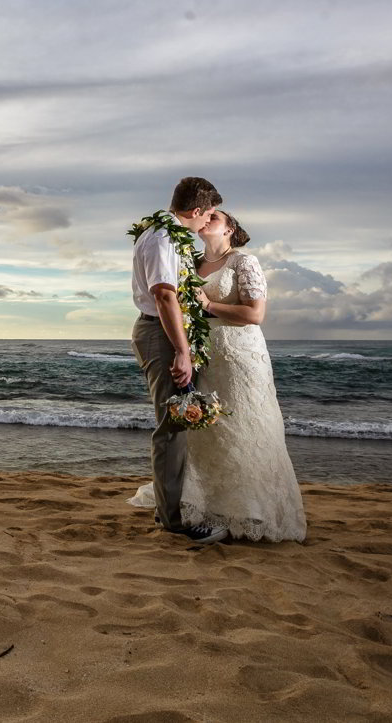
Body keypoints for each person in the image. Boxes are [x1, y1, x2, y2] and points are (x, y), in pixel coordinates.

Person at [132, 209, 307, 542]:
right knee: (207, 433)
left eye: (217, 216)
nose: (208, 218)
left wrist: (208, 305)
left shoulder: (244, 262)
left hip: (240, 355)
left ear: (230, 230)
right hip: (204, 355)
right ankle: (209, 506)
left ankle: (252, 509)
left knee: (246, 425)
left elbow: (255, 314)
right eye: (206, 214)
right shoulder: (191, 261)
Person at [129, 176, 224, 544]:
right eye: (209, 214)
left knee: (178, 424)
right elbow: (166, 296)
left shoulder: (170, 236)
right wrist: (182, 352)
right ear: (197, 210)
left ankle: (167, 510)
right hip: (161, 334)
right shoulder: (162, 237)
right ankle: (172, 522)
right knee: (171, 428)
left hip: (168, 331)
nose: (208, 222)